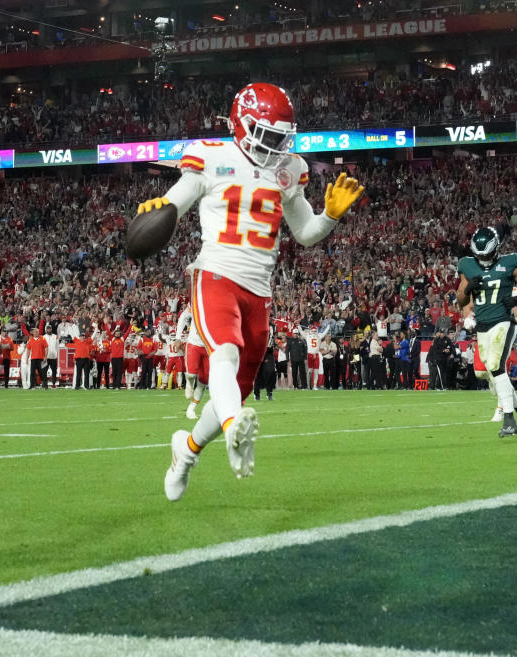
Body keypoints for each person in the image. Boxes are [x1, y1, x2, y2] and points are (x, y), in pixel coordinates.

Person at [142, 82, 363, 501]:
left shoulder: (288, 168)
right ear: (242, 125)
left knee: (236, 390)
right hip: (215, 275)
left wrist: (330, 217)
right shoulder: (211, 155)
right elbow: (176, 201)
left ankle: (186, 452)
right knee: (222, 354)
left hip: (259, 293)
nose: (278, 144)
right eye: (270, 134)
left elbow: (305, 232)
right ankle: (234, 431)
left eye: (284, 136)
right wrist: (160, 206)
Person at [456, 226, 517, 438]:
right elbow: (460, 300)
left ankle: (508, 418)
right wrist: (467, 288)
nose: (483, 258)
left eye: (487, 254)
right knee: (489, 373)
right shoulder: (467, 265)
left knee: (495, 365)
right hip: (482, 325)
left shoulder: (509, 262)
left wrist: (516, 299)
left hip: (503, 321)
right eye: (480, 254)